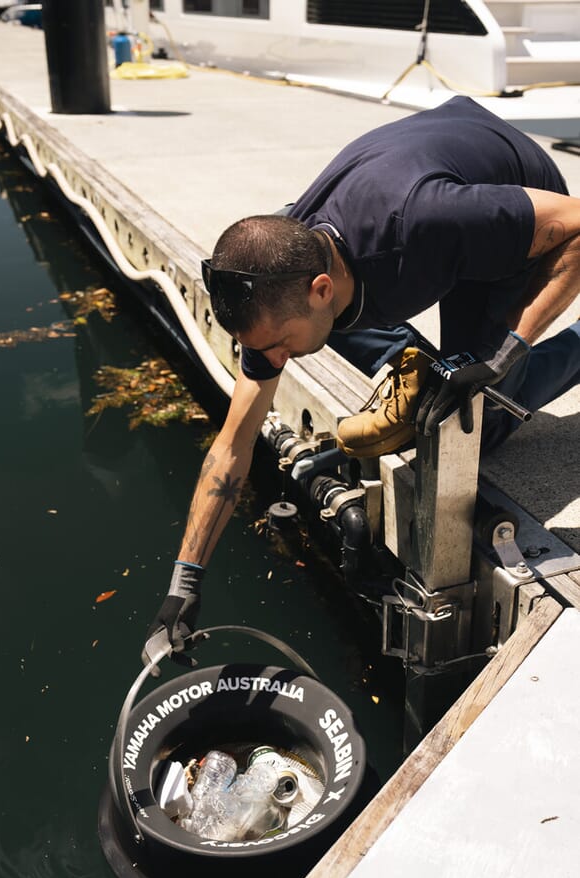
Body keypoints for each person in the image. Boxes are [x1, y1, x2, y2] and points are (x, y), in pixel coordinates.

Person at [143, 95, 580, 659]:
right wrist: (184, 584)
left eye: (276, 346)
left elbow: (576, 224)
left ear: (320, 288)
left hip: (514, 195)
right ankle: (422, 371)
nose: (273, 361)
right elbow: (234, 444)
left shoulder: (424, 225)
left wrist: (501, 355)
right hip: (439, 173)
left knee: (480, 418)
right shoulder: (283, 272)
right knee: (330, 337)